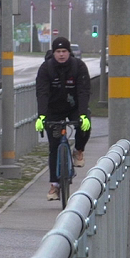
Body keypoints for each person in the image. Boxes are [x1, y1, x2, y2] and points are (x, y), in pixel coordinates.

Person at [34, 36, 92, 201]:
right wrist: (41, 116)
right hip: (53, 109)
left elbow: (83, 91)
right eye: (58, 51)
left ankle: (78, 150)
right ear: (53, 53)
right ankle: (55, 185)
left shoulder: (78, 66)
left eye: (64, 51)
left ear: (69, 52)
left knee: (85, 125)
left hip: (74, 107)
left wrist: (82, 114)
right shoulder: (46, 68)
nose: (61, 54)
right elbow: (42, 93)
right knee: (54, 146)